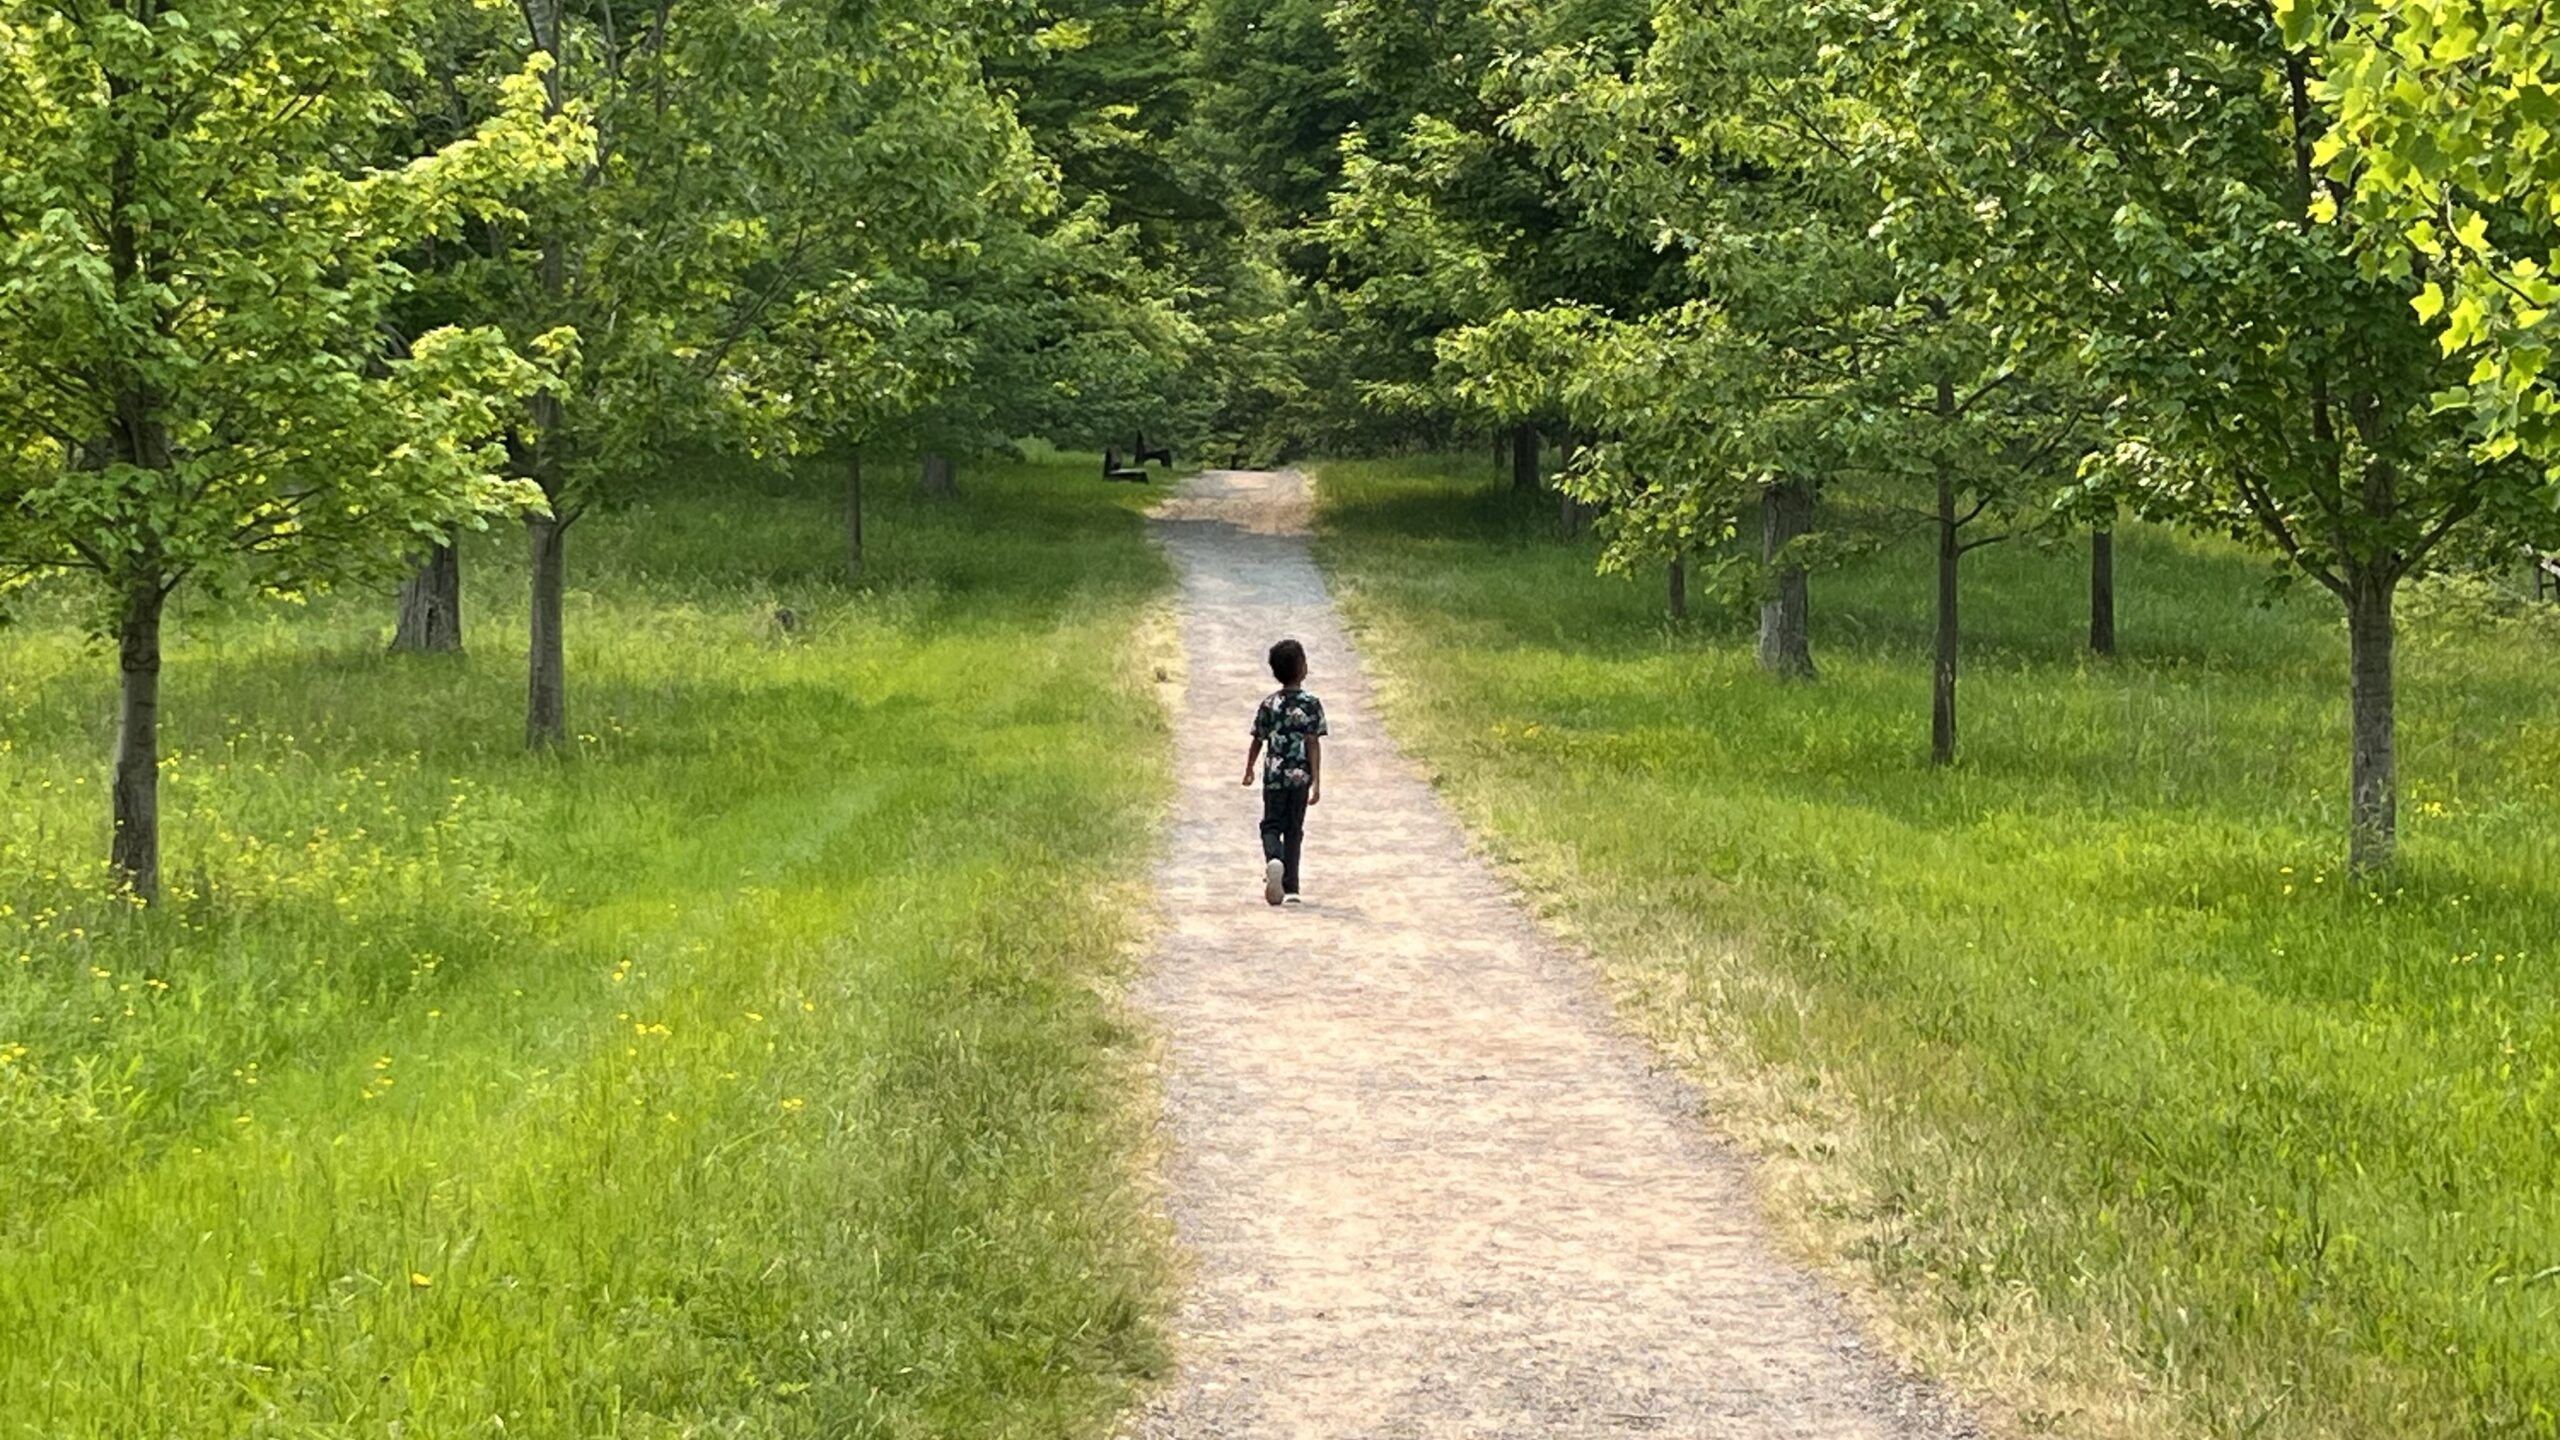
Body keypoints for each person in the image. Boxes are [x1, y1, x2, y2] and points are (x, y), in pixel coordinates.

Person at [1242, 638, 1327, 906]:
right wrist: (1316, 781)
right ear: (1303, 668)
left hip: (1274, 776)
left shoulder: (1269, 704)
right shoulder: (1311, 704)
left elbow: (1257, 739)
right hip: (1300, 778)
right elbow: (1313, 742)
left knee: (1271, 825)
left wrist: (1249, 770)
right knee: (1294, 829)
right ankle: (1291, 887)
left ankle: (1274, 858)